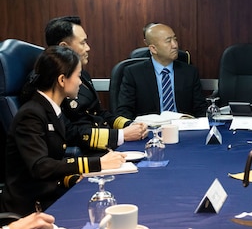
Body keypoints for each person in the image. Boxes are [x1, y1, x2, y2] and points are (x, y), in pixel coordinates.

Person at [1, 47, 125, 215]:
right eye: (78, 76)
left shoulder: (53, 110)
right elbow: (41, 166)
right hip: (31, 209)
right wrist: (98, 164)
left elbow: (54, 164)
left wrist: (74, 178)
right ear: (62, 80)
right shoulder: (31, 114)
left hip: (50, 196)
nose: (81, 82)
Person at [44, 16, 148, 150]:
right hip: (86, 152)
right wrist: (120, 135)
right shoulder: (48, 80)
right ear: (64, 47)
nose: (88, 48)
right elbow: (67, 132)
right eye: (82, 43)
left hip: (103, 145)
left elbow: (99, 113)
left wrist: (129, 125)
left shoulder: (84, 75)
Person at [116, 23, 207, 119]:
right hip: (149, 130)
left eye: (175, 39)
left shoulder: (190, 72)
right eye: (168, 41)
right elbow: (124, 111)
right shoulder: (133, 73)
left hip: (183, 128)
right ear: (153, 49)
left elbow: (200, 109)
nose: (175, 45)